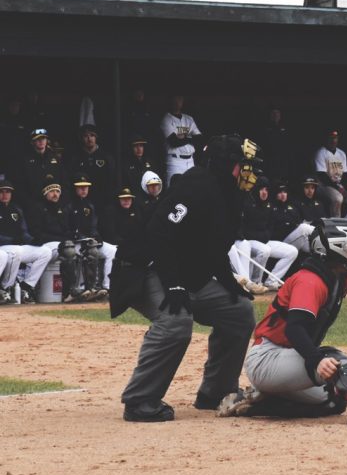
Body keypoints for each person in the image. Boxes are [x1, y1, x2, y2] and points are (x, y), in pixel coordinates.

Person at [215, 218, 347, 423]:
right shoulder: (310, 281)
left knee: (333, 400)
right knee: (332, 358)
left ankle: (255, 403)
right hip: (268, 358)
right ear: (337, 247)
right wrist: (317, 359)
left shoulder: (335, 274)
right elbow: (295, 329)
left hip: (287, 359)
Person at [116, 135, 260, 422]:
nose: (248, 172)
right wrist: (174, 284)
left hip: (185, 273)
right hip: (147, 268)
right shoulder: (196, 185)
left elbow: (213, 244)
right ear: (226, 164)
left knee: (239, 312)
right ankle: (139, 400)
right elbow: (160, 233)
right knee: (175, 320)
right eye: (243, 165)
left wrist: (229, 281)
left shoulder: (230, 194)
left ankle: (216, 392)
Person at [232, 177, 298, 291]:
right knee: (265, 250)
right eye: (261, 189)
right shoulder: (248, 204)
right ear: (256, 190)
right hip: (249, 241)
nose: (264, 192)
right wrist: (260, 236)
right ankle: (255, 282)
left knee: (292, 251)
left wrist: (263, 236)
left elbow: (270, 229)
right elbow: (244, 231)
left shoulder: (269, 206)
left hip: (264, 241)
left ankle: (271, 281)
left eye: (266, 190)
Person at [0, 180, 52, 304]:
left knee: (45, 251)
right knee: (15, 251)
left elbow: (24, 231)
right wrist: (11, 240)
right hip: (3, 246)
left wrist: (32, 240)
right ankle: (5, 288)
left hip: (15, 246)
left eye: (8, 192)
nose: (5, 194)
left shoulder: (16, 209)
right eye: (2, 191)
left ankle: (27, 286)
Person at [67, 173, 115, 300]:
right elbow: (68, 227)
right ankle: (83, 288)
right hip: (76, 242)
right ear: (75, 188)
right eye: (80, 187)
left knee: (112, 251)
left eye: (86, 187)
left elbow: (93, 226)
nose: (84, 189)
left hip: (89, 242)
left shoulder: (90, 205)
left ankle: (106, 287)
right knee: (85, 253)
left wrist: (96, 237)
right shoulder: (69, 205)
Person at [313, 129, 347, 222]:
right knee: (338, 198)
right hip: (324, 186)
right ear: (326, 139)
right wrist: (339, 189)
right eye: (331, 138)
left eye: (335, 138)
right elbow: (322, 176)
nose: (333, 141)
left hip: (338, 184)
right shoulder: (321, 153)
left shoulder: (341, 153)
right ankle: (336, 223)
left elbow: (345, 174)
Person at [65, 124, 117, 206]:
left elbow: (112, 180)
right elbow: (70, 180)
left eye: (92, 135)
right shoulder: (76, 159)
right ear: (82, 139)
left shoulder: (106, 157)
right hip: (81, 201)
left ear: (96, 137)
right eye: (86, 136)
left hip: (103, 201)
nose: (89, 139)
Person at [161, 95, 202, 186]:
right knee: (174, 193)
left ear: (182, 101)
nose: (177, 102)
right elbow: (174, 142)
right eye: (175, 99)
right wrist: (190, 136)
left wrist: (184, 137)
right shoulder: (166, 119)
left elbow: (199, 139)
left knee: (191, 192)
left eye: (179, 99)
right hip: (175, 161)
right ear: (171, 101)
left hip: (190, 161)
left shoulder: (189, 119)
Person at [19, 128, 66, 205]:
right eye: (38, 139)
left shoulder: (56, 159)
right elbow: (21, 185)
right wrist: (29, 203)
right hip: (34, 204)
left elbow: (64, 181)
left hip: (55, 202)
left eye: (43, 138)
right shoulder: (25, 161)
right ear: (32, 142)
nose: (41, 141)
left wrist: (62, 201)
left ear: (47, 140)